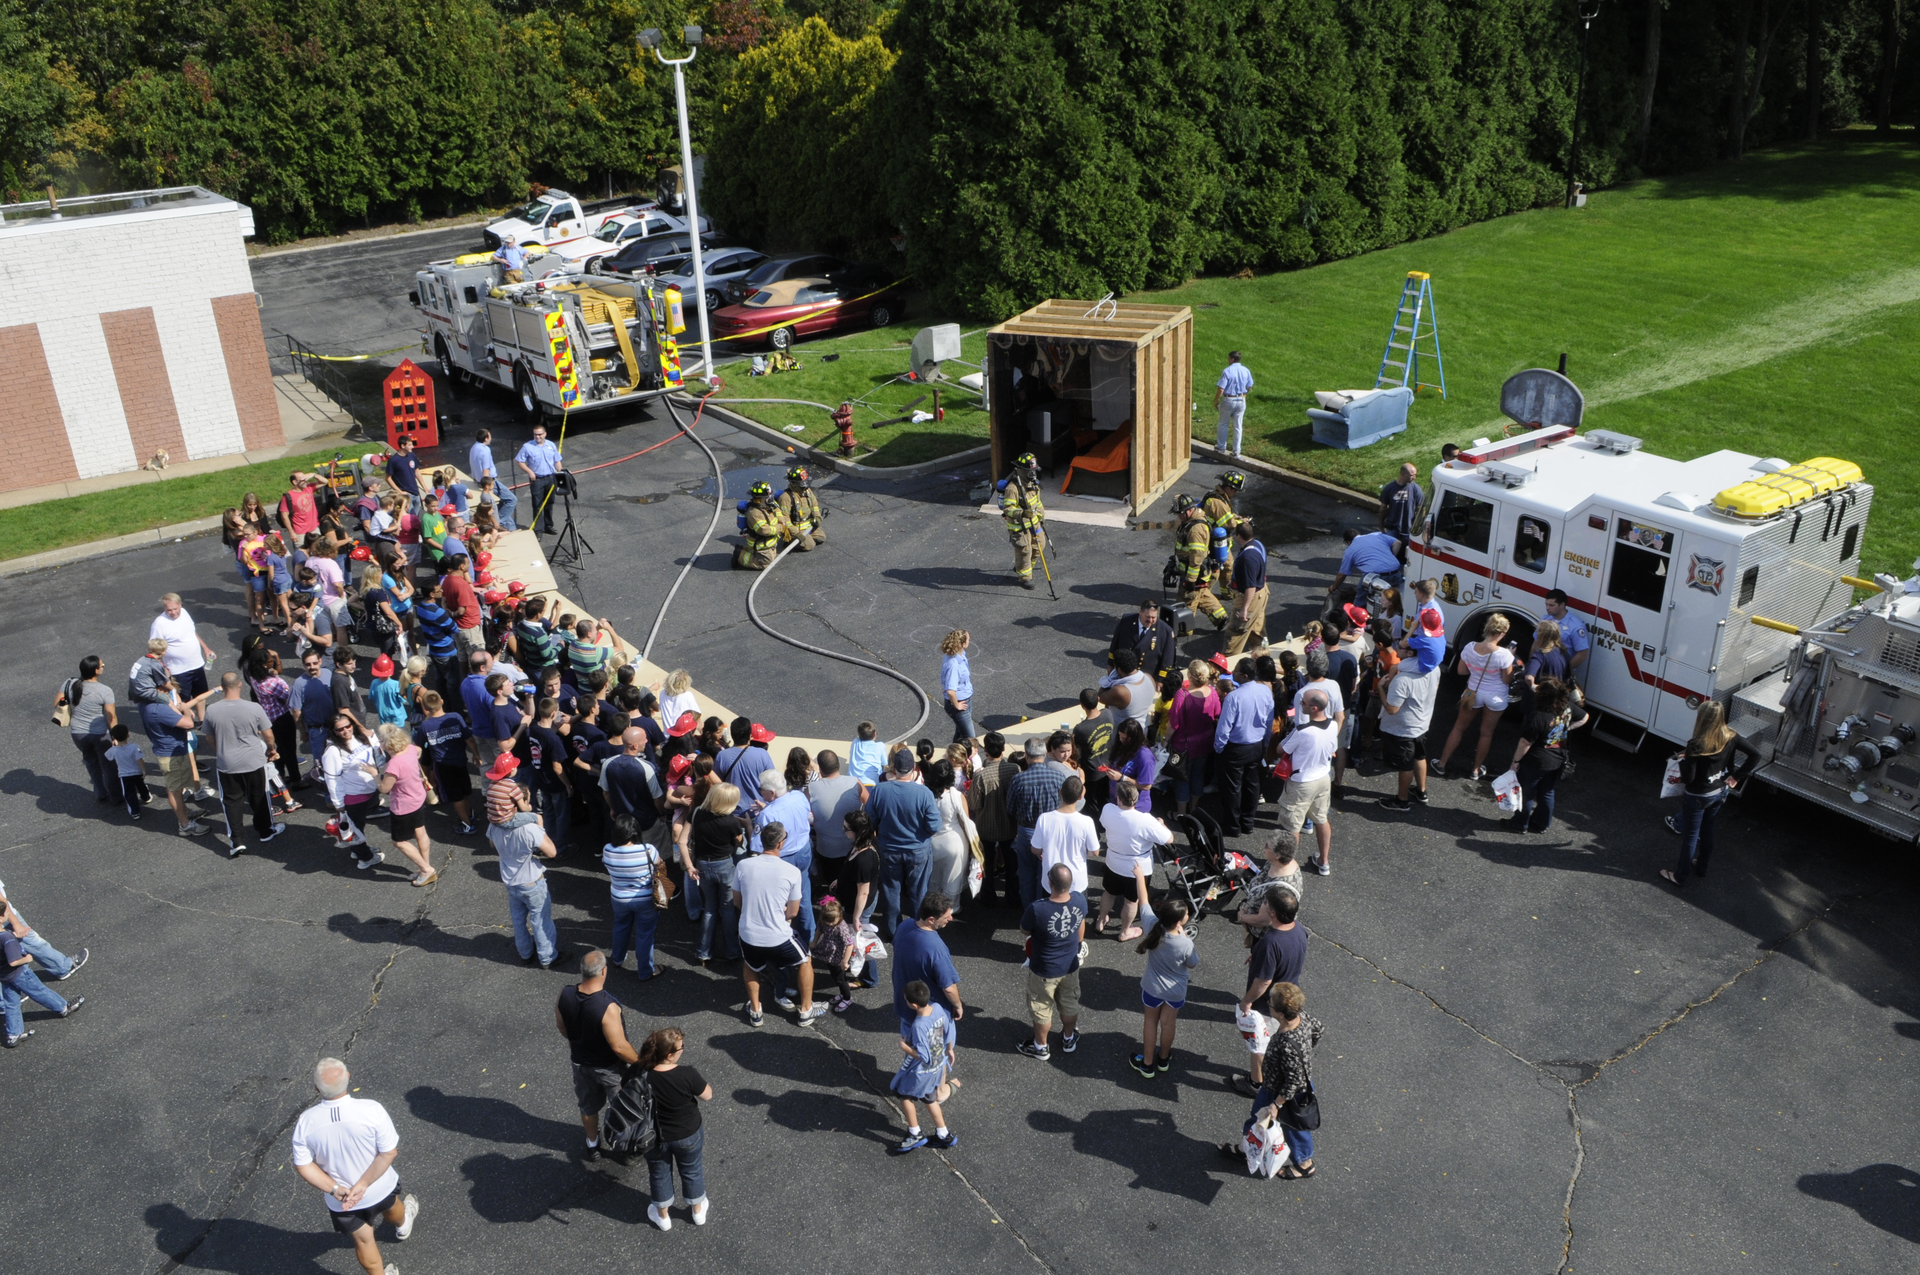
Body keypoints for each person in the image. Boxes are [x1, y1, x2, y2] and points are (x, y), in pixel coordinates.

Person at [290, 1058, 419, 1275]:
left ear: (316, 1088)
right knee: (392, 1205)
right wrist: (364, 1184)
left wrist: (335, 1189)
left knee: (364, 1241)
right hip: (379, 1185)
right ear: (348, 1077)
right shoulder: (371, 1109)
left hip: (343, 1201)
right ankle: (403, 1225)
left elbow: (303, 1165)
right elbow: (389, 1152)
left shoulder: (306, 1122)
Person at [1222, 982, 1322, 1179]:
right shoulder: (1305, 1019)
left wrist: (1276, 1104)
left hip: (1279, 1091)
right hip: (1300, 1088)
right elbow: (1319, 1030)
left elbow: (1292, 1082)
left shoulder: (1287, 1044)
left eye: (1271, 1003)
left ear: (1281, 1015)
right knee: (1294, 1127)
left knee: (1262, 1118)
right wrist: (1306, 1050)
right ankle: (1302, 1162)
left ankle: (1250, 1150)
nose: (1268, 1004)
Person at [1660, 700, 1760, 887]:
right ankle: (1702, 867)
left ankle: (1680, 876)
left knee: (1690, 836)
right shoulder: (1731, 736)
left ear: (1702, 718)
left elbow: (1689, 779)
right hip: (1718, 792)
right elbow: (1756, 755)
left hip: (1697, 796)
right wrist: (1737, 777)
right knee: (1707, 831)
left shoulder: (1696, 744)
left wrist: (1683, 760)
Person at [734, 823, 822, 1025]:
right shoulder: (791, 871)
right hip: (779, 936)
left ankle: (756, 1011)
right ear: (781, 844)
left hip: (749, 933)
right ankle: (806, 1010)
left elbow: (738, 902)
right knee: (805, 960)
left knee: (750, 965)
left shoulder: (743, 865)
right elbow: (792, 911)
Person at [555, 950, 638, 1153]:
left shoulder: (564, 994)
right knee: (622, 1108)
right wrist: (641, 1062)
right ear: (604, 972)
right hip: (610, 1069)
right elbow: (619, 1047)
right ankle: (626, 1148)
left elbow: (562, 1026)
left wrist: (576, 1042)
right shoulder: (606, 1007)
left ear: (581, 971)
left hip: (580, 1063)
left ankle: (592, 1143)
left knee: (587, 1106)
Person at [1232, 890, 1306, 1096]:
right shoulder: (1299, 930)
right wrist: (1257, 955)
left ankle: (1256, 1083)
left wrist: (1247, 1002)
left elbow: (1263, 981)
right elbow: (1287, 953)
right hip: (1290, 991)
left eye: (1265, 904)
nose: (1262, 905)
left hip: (1269, 1004)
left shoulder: (1270, 942)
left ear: (1272, 913)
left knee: (1259, 1045)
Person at [203, 672, 283, 857]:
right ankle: (265, 831)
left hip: (227, 763)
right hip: (253, 760)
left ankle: (237, 841)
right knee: (259, 796)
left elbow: (208, 737)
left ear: (222, 687)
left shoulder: (212, 710)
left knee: (231, 801)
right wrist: (271, 749)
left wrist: (219, 752)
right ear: (240, 685)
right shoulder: (253, 707)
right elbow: (268, 734)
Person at [639, 1027, 712, 1229]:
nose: (683, 1050)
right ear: (670, 1056)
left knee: (659, 1173)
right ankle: (697, 1212)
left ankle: (662, 1217)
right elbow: (708, 1095)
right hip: (688, 1134)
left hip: (655, 1137)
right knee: (692, 1171)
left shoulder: (644, 1076)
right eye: (681, 1047)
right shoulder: (687, 1074)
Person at [867, 748, 942, 938]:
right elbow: (934, 825)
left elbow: (869, 820)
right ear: (914, 768)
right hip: (918, 850)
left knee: (891, 891)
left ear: (893, 767)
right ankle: (918, 930)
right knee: (918, 892)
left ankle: (893, 932)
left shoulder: (879, 790)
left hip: (889, 850)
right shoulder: (924, 793)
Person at [1017, 862, 1086, 1060]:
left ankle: (1040, 1047)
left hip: (1044, 969)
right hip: (1071, 965)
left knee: (1041, 1008)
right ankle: (1068, 1037)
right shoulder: (1080, 901)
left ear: (1050, 883)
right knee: (1069, 1002)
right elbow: (1081, 924)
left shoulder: (1038, 909)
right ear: (1070, 883)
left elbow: (1024, 929)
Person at [1434, 613, 1515, 780]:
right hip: (1496, 696)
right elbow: (1507, 679)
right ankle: (1475, 771)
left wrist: (1476, 668)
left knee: (1458, 728)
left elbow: (1461, 671)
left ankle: (1441, 764)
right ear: (1502, 633)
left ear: (1486, 628)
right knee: (1486, 733)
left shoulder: (1470, 647)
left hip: (1473, 692)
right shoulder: (1505, 655)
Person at [1377, 617, 1444, 811]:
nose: (1398, 649)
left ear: (1411, 653)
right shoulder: (1434, 669)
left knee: (1405, 766)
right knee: (1419, 757)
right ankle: (1421, 792)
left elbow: (1392, 709)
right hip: (1422, 724)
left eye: (1402, 648)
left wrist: (1382, 689)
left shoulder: (1402, 680)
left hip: (1404, 730)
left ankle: (1402, 800)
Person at [1506, 677, 1587, 835]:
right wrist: (1565, 729)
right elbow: (1584, 717)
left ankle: (1519, 824)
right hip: (1557, 760)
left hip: (1535, 761)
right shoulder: (1567, 708)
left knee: (1527, 793)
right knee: (1547, 792)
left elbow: (1525, 743)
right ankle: (1541, 823)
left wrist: (1515, 761)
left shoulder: (1538, 717)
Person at [1097, 777, 1171, 940]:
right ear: (1136, 799)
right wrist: (1162, 824)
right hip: (1137, 868)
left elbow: (1103, 822)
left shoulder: (1108, 809)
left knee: (1108, 893)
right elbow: (1169, 839)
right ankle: (1124, 931)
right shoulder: (1146, 820)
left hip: (1113, 862)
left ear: (1119, 798)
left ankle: (1100, 921)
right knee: (1131, 901)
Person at [2, 900, 83, 1048]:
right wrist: (27, 958)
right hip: (19, 973)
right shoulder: (7, 938)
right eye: (6, 913)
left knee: (11, 1004)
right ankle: (63, 1007)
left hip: (4, 977)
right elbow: (14, 962)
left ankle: (13, 1034)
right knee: (39, 991)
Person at [891, 980, 960, 1151]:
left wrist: (904, 1046)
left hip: (922, 1071)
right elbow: (948, 1031)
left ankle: (915, 1134)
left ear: (913, 1005)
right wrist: (949, 1050)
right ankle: (944, 1134)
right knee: (930, 1098)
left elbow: (923, 1057)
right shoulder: (937, 1008)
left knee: (904, 1095)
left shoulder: (919, 1026)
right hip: (938, 1066)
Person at [1135, 897, 1198, 1077]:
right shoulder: (1186, 943)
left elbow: (1144, 902)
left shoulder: (1151, 926)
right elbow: (1192, 963)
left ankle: (1147, 1064)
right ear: (1179, 922)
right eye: (1186, 913)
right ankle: (1163, 1058)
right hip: (1175, 991)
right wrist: (1185, 937)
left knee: (1150, 1022)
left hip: (1152, 988)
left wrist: (1139, 875)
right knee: (1168, 1023)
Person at [1278, 691, 1339, 875]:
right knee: (1321, 819)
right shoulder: (1333, 725)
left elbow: (1280, 748)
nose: (1300, 705)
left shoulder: (1302, 731)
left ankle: (1288, 866)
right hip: (1323, 779)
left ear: (1313, 708)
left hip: (1301, 783)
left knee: (1293, 825)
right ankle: (1324, 861)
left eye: (1303, 702)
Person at [1212, 658, 1274, 837]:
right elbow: (1268, 721)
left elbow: (1224, 727)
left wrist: (1219, 748)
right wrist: (1265, 742)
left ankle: (1232, 826)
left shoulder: (1234, 697)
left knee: (1232, 788)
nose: (1232, 673)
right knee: (1252, 785)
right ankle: (1248, 823)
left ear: (1244, 676)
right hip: (1257, 745)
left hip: (1235, 748)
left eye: (1236, 671)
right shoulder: (1265, 691)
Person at [689, 783, 747, 964]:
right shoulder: (731, 822)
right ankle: (731, 952)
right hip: (724, 866)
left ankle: (704, 952)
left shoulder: (697, 813)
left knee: (710, 909)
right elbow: (738, 842)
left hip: (703, 865)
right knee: (728, 909)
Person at [375, 723, 439, 886]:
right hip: (417, 797)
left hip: (403, 806)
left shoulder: (394, 764)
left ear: (386, 744)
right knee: (420, 832)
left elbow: (384, 788)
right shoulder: (410, 749)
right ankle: (425, 866)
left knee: (399, 841)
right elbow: (419, 751)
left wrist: (374, 774)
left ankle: (426, 869)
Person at [891, 893, 962, 1032]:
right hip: (931, 1018)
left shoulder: (904, 926)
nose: (950, 918)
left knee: (911, 1045)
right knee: (934, 1052)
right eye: (946, 917)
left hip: (905, 1005)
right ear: (931, 919)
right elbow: (948, 987)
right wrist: (958, 1005)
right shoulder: (937, 949)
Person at [413, 691, 480, 835]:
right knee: (465, 791)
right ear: (441, 701)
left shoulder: (426, 726)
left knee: (455, 796)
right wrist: (476, 754)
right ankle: (469, 815)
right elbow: (469, 739)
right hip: (461, 761)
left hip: (443, 766)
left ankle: (467, 825)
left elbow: (418, 746)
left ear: (425, 707)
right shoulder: (455, 717)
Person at [57, 654, 121, 805]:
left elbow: (56, 703)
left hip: (78, 734)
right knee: (109, 766)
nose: (103, 665)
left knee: (91, 762)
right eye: (101, 665)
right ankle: (116, 797)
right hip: (100, 734)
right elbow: (112, 717)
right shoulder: (104, 690)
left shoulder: (69, 683)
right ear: (96, 671)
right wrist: (116, 736)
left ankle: (100, 793)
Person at [966, 734, 1019, 906]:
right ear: (1004, 748)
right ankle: (1012, 895)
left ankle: (988, 896)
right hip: (1010, 825)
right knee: (1012, 863)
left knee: (987, 863)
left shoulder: (980, 776)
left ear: (986, 751)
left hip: (986, 826)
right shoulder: (1014, 769)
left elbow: (974, 803)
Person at [1030, 773, 1097, 899]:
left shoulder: (1044, 818)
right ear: (1080, 796)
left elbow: (1035, 849)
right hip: (1077, 881)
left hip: (1051, 879)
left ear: (1060, 792)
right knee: (1078, 915)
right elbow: (1095, 851)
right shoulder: (1087, 821)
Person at [1167, 660, 1221, 814]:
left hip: (1183, 746)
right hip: (1205, 743)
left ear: (1189, 675)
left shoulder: (1181, 695)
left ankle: (1181, 814)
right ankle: (1194, 808)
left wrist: (1164, 741)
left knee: (1182, 779)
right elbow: (1217, 714)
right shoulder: (1212, 692)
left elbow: (1173, 724)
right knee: (1198, 776)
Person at [1171, 495, 1229, 630]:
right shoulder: (1191, 521)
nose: (1178, 516)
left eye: (1180, 513)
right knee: (1202, 594)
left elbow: (1197, 557)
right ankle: (1220, 617)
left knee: (1187, 600)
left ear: (1189, 511)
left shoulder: (1196, 530)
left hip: (1196, 573)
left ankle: (1183, 629)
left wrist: (1191, 580)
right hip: (1195, 571)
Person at [807, 749, 862, 883]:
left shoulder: (812, 788)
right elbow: (871, 805)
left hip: (826, 850)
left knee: (831, 882)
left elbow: (802, 810)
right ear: (838, 764)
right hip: (852, 848)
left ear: (819, 767)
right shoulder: (855, 782)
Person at [150, 593, 216, 702]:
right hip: (178, 671)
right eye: (169, 610)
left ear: (180, 605)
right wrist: (161, 670)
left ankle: (201, 719)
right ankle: (185, 719)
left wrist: (206, 649)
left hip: (196, 665)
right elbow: (154, 649)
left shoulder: (184, 613)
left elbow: (192, 632)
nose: (173, 612)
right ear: (164, 608)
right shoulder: (159, 624)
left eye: (175, 609)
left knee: (201, 696)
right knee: (182, 700)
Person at [999, 452, 1047, 590]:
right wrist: (1022, 513)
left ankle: (1022, 567)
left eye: (1034, 470)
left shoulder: (1033, 484)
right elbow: (1008, 509)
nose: (1033, 473)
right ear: (1022, 470)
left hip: (1035, 523)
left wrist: (1041, 517)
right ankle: (1025, 578)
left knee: (1039, 547)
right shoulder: (1012, 488)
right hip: (1019, 526)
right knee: (1024, 551)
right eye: (1030, 471)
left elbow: (1037, 503)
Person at [1225, 520, 1269, 657]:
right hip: (1262, 592)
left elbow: (1250, 586)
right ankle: (1263, 659)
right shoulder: (1258, 545)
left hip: (1250, 597)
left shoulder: (1247, 558)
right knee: (1257, 631)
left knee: (1235, 634)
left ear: (1238, 536)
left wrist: (1244, 609)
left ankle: (1227, 667)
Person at [811, 896, 861, 1013]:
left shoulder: (841, 927)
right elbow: (819, 929)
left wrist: (844, 961)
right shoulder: (825, 921)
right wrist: (814, 941)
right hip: (828, 954)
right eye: (827, 921)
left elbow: (849, 944)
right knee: (835, 976)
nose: (829, 924)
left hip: (838, 957)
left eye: (832, 921)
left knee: (840, 979)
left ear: (839, 916)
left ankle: (847, 998)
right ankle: (842, 994)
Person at [1328, 526, 1405, 602]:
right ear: (1359, 534)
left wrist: (1334, 586)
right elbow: (1398, 542)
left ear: (1348, 542)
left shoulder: (1350, 550)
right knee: (1394, 600)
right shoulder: (1377, 535)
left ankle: (1358, 609)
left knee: (1361, 600)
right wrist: (1391, 557)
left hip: (1376, 576)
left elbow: (1342, 574)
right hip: (1395, 572)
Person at [1109, 600, 1177, 681]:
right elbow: (1114, 644)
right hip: (1123, 675)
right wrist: (1110, 664)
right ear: (1140, 612)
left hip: (1147, 678)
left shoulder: (1165, 631)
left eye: (1153, 617)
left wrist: (1161, 680)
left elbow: (1168, 659)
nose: (1150, 620)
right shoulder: (1126, 621)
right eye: (1147, 617)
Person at [516, 424, 564, 535]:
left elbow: (557, 460)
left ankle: (548, 526)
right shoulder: (527, 447)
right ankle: (538, 530)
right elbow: (519, 461)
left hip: (551, 478)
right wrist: (530, 472)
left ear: (545, 434)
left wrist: (561, 473)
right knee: (537, 505)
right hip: (537, 480)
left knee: (549, 503)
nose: (537, 437)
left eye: (540, 434)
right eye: (535, 435)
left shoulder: (551, 445)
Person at [468, 429, 518, 530]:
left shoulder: (474, 448)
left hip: (479, 481)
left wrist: (475, 477)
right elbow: (486, 470)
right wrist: (489, 487)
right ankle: (499, 523)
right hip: (489, 482)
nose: (491, 438)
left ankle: (510, 527)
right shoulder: (485, 450)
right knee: (511, 500)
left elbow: (473, 464)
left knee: (501, 504)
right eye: (490, 436)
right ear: (486, 438)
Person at [1098, 648, 1155, 734]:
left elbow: (1100, 696)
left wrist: (1110, 678)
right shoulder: (1149, 677)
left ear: (1119, 670)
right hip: (1142, 731)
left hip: (1123, 737)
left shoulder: (1120, 691)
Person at [732, 481, 786, 570]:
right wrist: (781, 527)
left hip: (769, 542)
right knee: (766, 564)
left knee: (772, 557)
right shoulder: (754, 513)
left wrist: (781, 520)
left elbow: (777, 510)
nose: (771, 497)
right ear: (762, 498)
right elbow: (764, 530)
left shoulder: (768, 504)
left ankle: (750, 552)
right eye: (768, 496)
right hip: (760, 544)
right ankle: (740, 555)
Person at [775, 465, 826, 550]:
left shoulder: (807, 491)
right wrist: (796, 533)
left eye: (805, 481)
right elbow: (785, 520)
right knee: (810, 545)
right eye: (801, 483)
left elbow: (814, 506)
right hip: (795, 528)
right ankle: (790, 541)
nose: (804, 485)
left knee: (821, 538)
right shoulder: (786, 497)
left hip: (808, 525)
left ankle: (806, 537)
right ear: (793, 483)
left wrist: (817, 517)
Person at [1543, 589, 1592, 674]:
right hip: (1543, 666)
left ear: (1562, 605)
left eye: (1551, 605)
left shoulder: (1575, 626)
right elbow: (1536, 643)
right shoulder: (1545, 619)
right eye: (1546, 604)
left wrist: (1563, 671)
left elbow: (1582, 654)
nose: (1547, 608)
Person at [1213, 351, 1253, 455]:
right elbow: (1249, 386)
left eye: (1228, 358)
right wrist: (1244, 395)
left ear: (1232, 359)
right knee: (1238, 426)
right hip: (1241, 400)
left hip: (1228, 400)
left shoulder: (1227, 371)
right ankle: (1236, 450)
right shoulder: (1246, 370)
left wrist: (1216, 400)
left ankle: (1221, 447)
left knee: (1223, 424)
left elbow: (1221, 389)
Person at [939, 630, 975, 743]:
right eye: (968, 639)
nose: (970, 641)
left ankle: (952, 755)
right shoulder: (953, 664)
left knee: (960, 734)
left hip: (965, 700)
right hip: (959, 705)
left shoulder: (960, 654)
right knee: (970, 739)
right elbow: (950, 691)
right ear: (963, 644)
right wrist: (956, 705)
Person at [1378, 461, 1424, 539]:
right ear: (1403, 474)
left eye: (1415, 475)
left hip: (1409, 530)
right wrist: (1381, 527)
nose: (1414, 478)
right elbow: (1383, 508)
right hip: (1392, 529)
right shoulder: (1389, 488)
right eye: (1411, 475)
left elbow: (1420, 510)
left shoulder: (1416, 489)